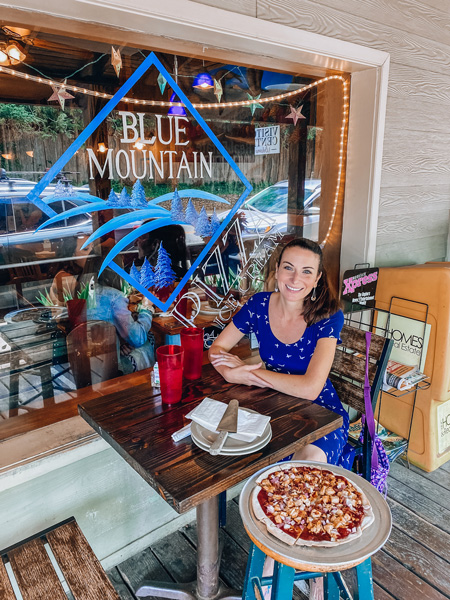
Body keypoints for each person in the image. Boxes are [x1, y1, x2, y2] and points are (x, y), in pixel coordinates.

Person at [209, 237, 349, 465]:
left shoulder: (329, 316)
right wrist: (228, 373)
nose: (295, 279)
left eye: (306, 271)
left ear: (317, 279)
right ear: (277, 270)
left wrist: (250, 374)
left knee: (303, 468)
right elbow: (217, 349)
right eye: (288, 268)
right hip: (273, 404)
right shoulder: (258, 305)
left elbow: (311, 389)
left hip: (321, 412)